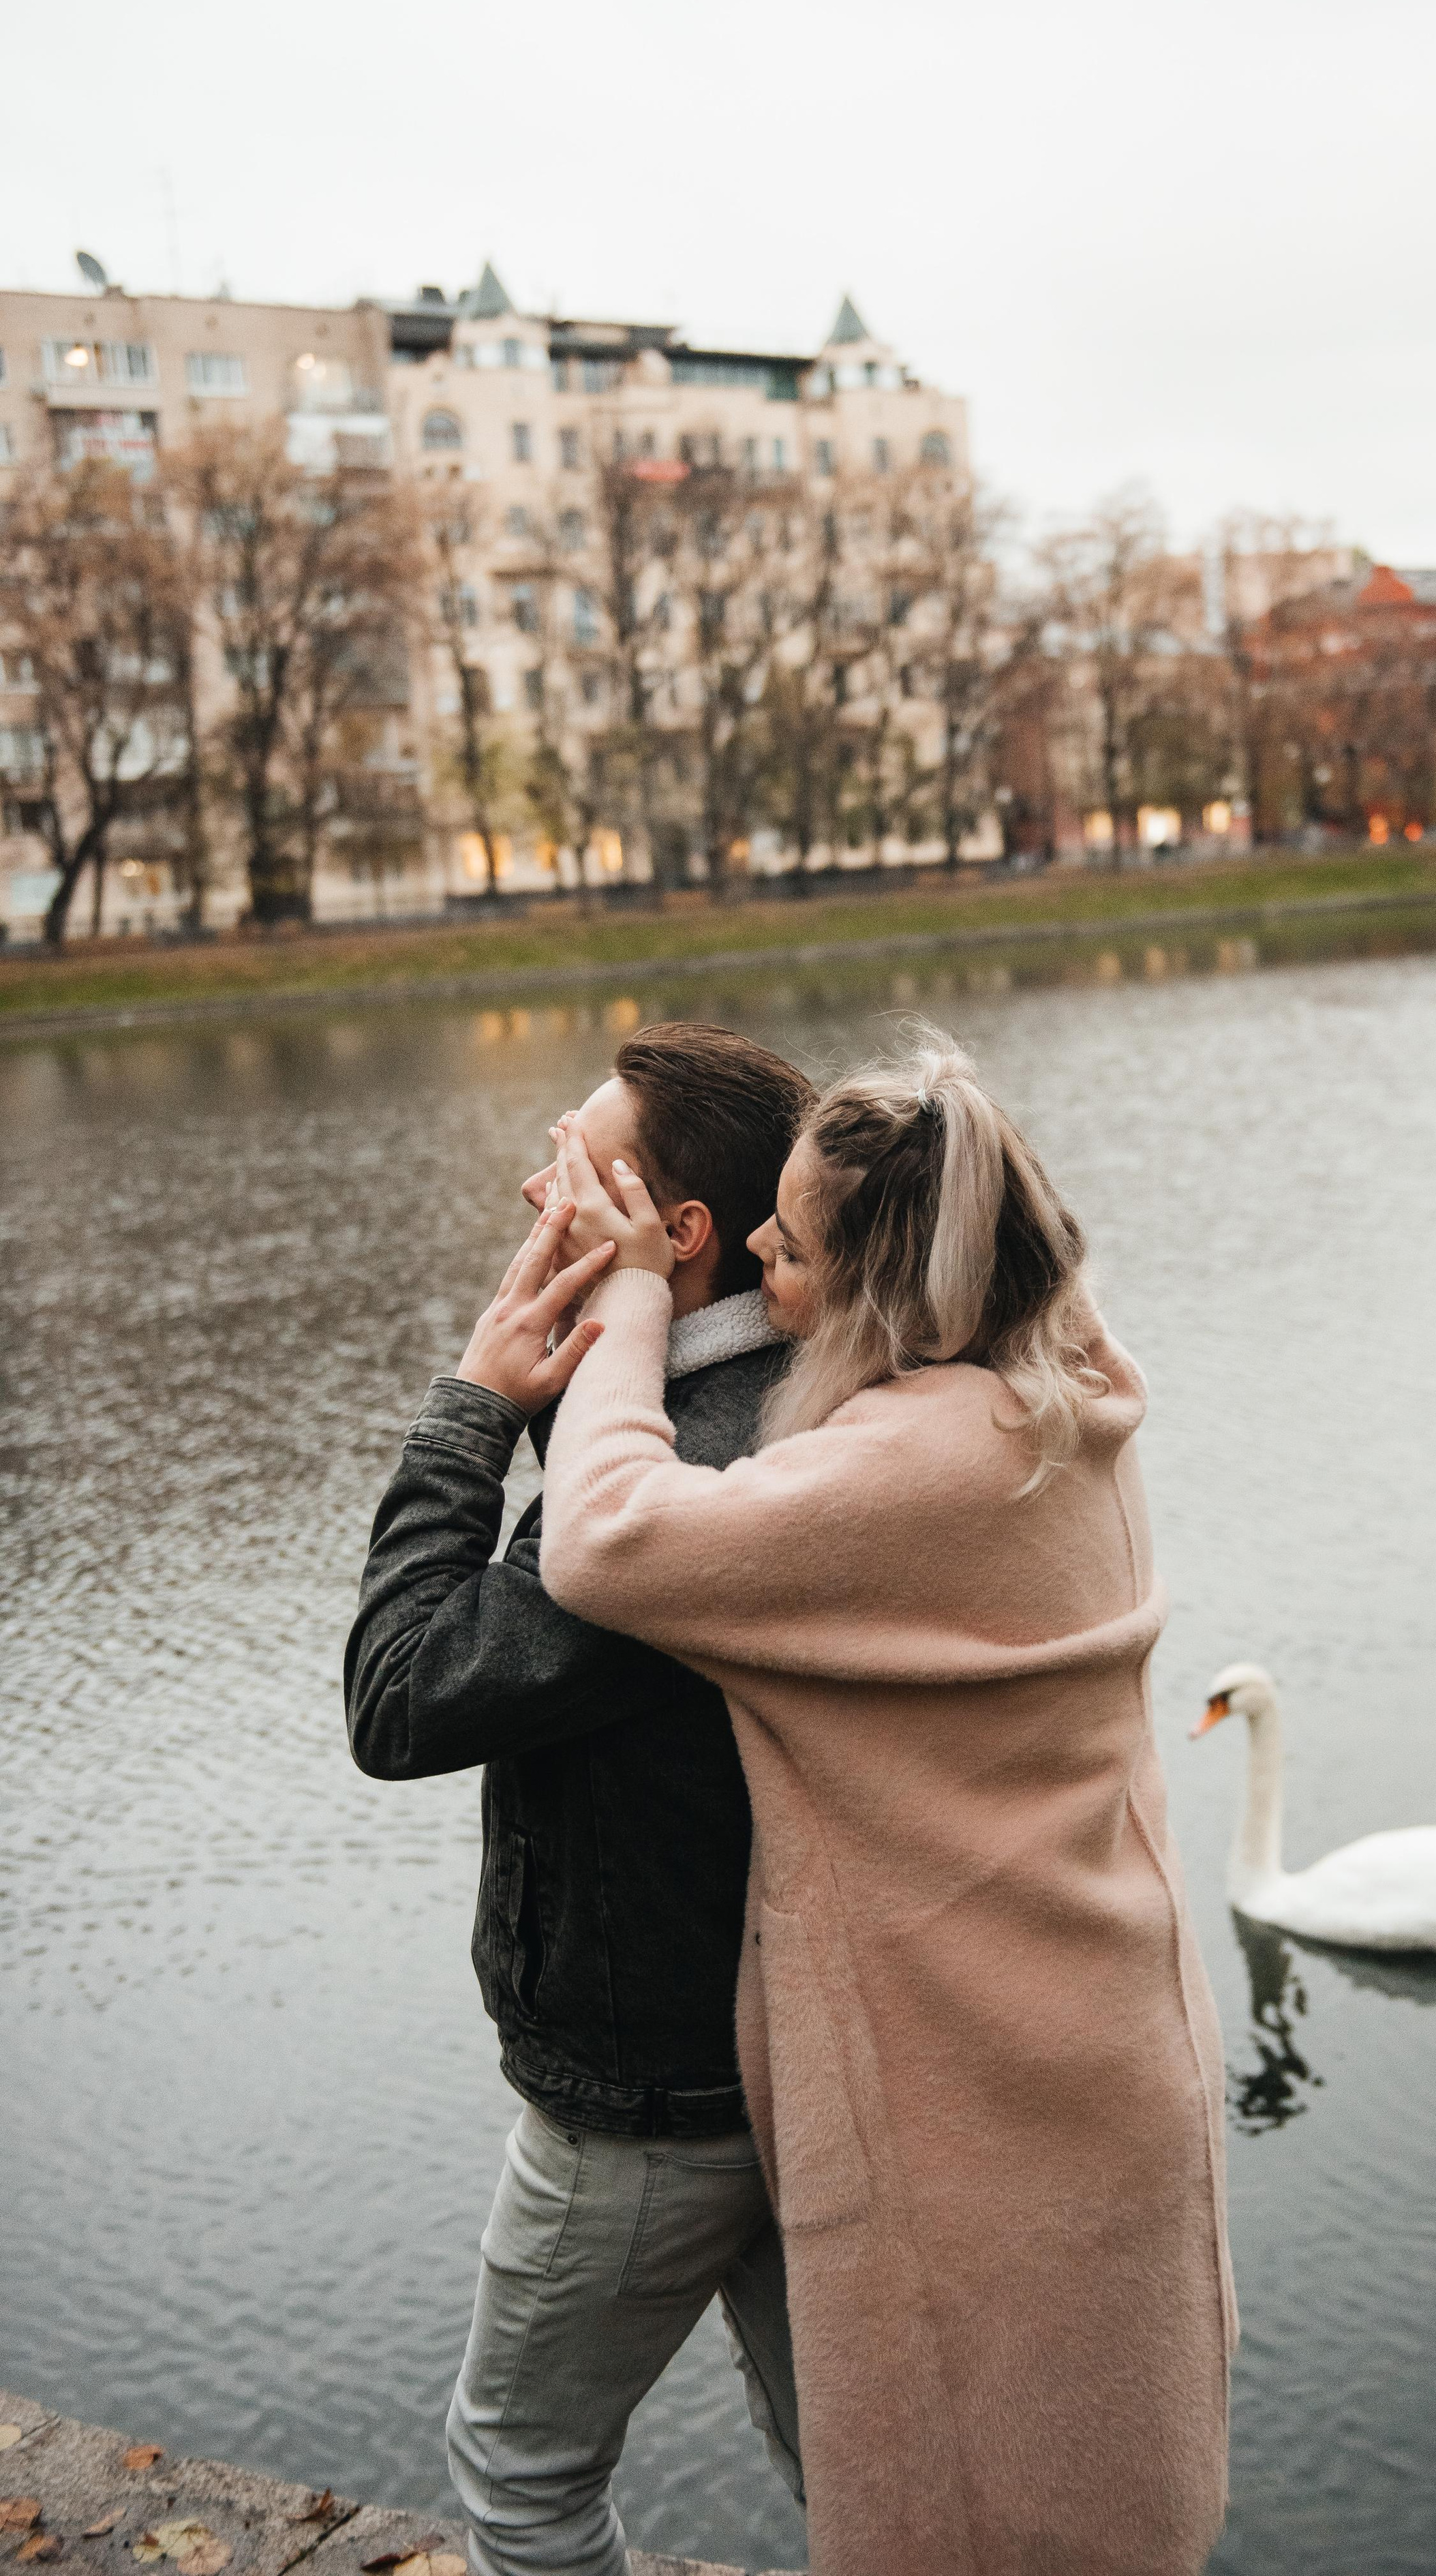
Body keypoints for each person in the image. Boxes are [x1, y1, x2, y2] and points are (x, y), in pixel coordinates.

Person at [530, 1025, 1237, 2576]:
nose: (769, 1261)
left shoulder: (917, 1467)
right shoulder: (1060, 1376)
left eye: (795, 1249)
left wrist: (640, 1296)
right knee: (1094, 2492)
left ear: (880, 1298)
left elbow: (603, 1542)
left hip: (984, 2092)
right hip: (1093, 2038)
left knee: (982, 2510)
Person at [343, 1022, 816, 2576]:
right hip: (806, 2062)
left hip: (647, 2095)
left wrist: (473, 1404)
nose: (528, 1186)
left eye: (571, 1165)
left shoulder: (664, 1505)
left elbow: (399, 1696)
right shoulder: (804, 1401)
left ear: (675, 1237)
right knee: (869, 2477)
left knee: (521, 2480)